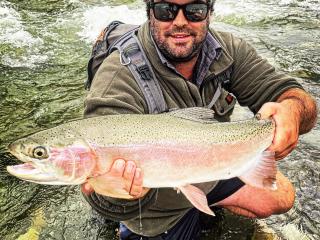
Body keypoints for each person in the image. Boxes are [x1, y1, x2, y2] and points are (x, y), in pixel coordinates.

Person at [82, 0, 317, 239]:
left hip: (208, 164)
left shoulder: (225, 50)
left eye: (194, 11)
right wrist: (120, 195)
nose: (180, 22)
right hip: (155, 206)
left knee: (282, 195)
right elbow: (100, 197)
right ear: (149, 13)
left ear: (209, 14)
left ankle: (206, 202)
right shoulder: (117, 77)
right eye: (166, 10)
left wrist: (293, 111)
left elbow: (294, 96)